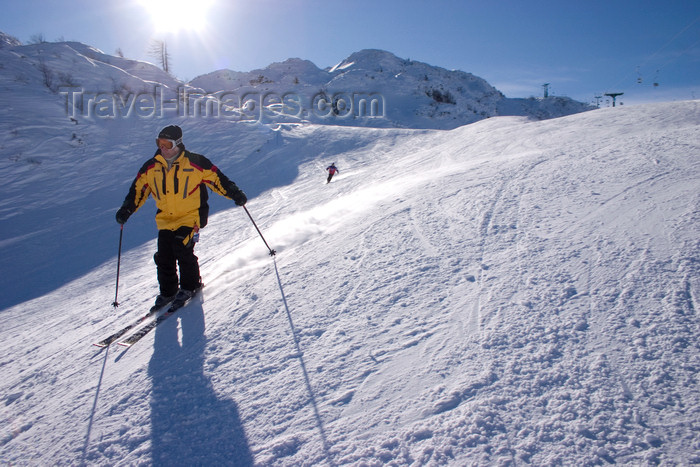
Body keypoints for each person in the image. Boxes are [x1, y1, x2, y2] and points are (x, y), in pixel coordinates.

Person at [116, 125, 247, 310]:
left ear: (177, 144)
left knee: (182, 248)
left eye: (167, 144)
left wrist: (235, 194)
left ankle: (190, 286)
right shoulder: (151, 167)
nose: (162, 148)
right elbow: (138, 191)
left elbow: (218, 180)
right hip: (165, 220)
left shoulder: (195, 162)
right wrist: (126, 210)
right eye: (159, 143)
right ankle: (168, 292)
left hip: (190, 217)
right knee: (164, 256)